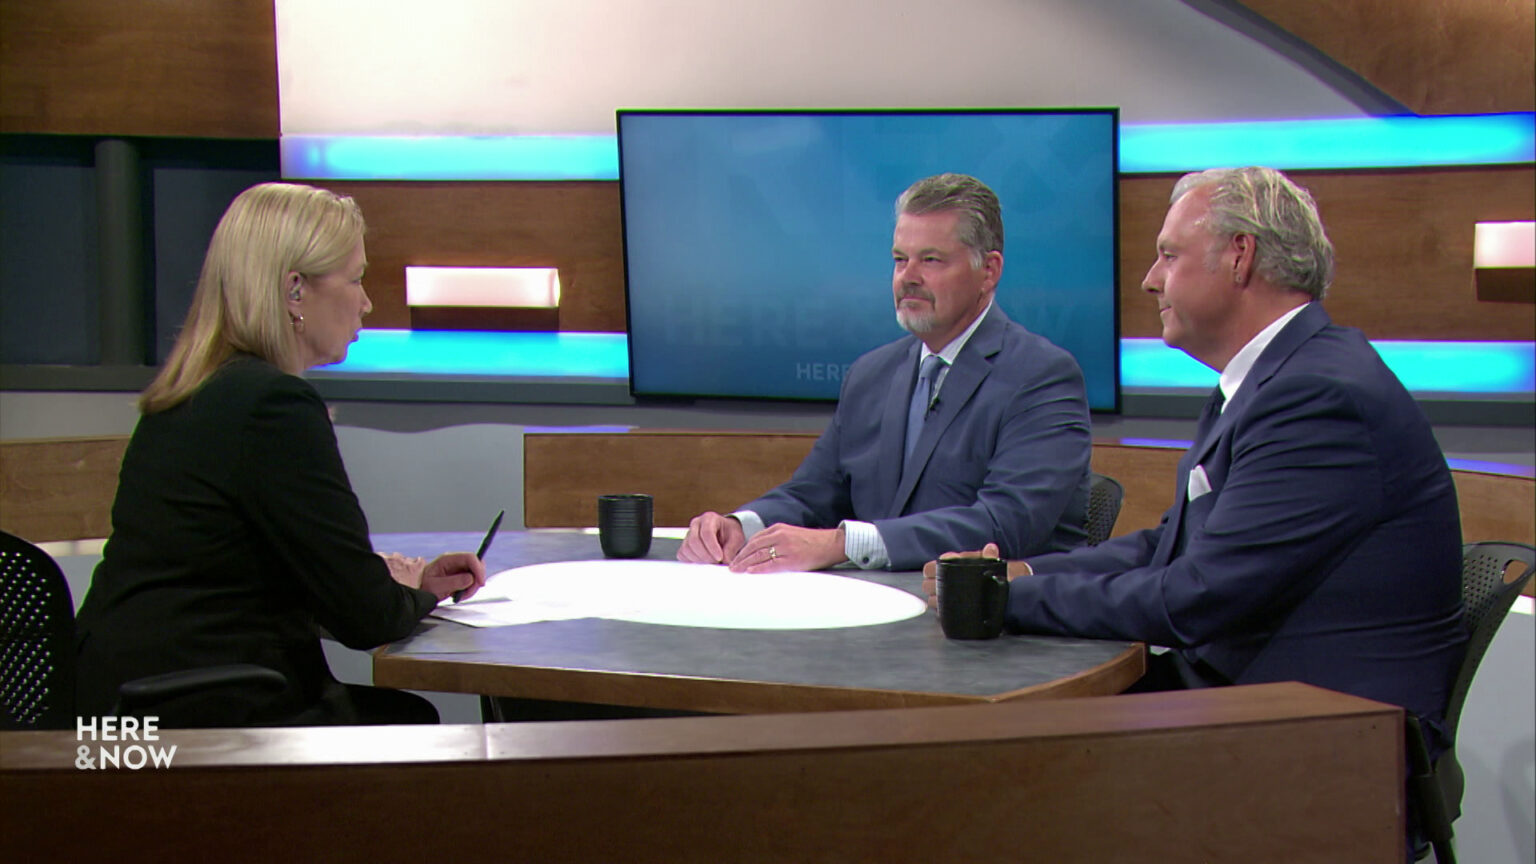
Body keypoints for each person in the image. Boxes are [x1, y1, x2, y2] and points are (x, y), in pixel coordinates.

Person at [924, 166, 1466, 758]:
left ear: (1239, 257)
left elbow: (1196, 596)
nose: (1150, 281)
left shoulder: (1318, 396)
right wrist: (1027, 573)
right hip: (1251, 699)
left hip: (1319, 739)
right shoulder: (1272, 378)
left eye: (1168, 256)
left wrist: (1001, 599)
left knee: (993, 759)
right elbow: (1171, 546)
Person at [75, 182, 486, 727]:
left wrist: (403, 585)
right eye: (356, 278)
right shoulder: (272, 406)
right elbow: (368, 619)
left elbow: (240, 571)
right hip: (193, 723)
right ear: (295, 290)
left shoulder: (194, 392)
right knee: (410, 728)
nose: (366, 301)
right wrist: (403, 592)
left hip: (116, 711)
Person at [678, 173, 1092, 574]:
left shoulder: (1040, 377)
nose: (907, 277)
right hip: (879, 618)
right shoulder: (871, 373)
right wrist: (740, 525)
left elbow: (1005, 525)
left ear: (989, 271)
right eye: (900, 259)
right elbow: (815, 492)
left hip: (992, 626)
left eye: (930, 260)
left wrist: (842, 543)